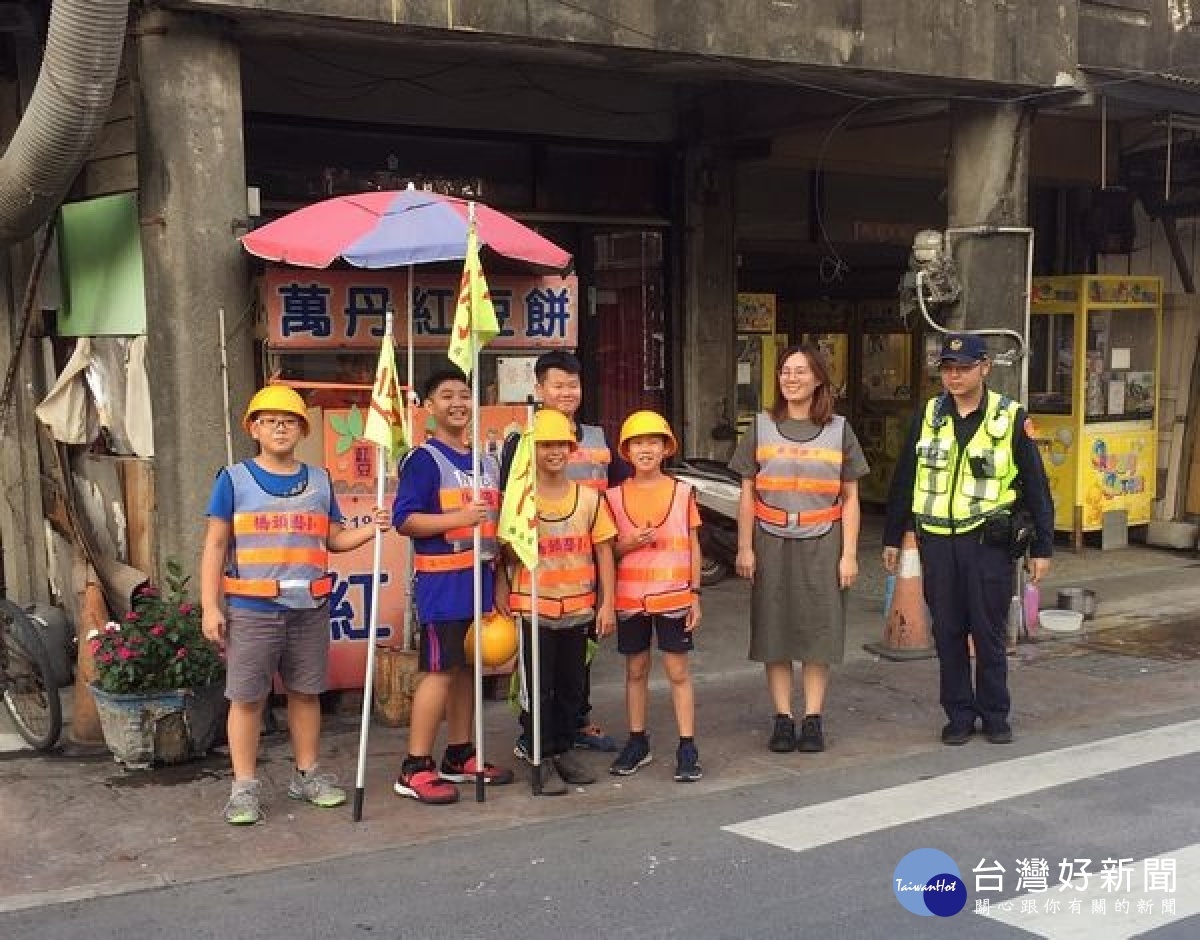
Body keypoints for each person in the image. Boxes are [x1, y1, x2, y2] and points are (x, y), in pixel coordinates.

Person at [201, 384, 389, 826]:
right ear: (254, 429)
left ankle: (307, 775)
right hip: (253, 610)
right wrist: (210, 606)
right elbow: (213, 546)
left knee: (306, 693)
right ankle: (243, 788)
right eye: (270, 421)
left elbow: (334, 540)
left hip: (309, 609)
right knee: (246, 699)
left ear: (302, 429)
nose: (279, 428)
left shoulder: (321, 480)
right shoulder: (232, 479)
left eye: (288, 421)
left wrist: (371, 528)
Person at [882, 333, 1053, 746]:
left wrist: (1042, 547)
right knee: (948, 632)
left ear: (985, 368)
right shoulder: (928, 415)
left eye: (963, 368)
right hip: (938, 542)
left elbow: (1036, 484)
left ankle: (995, 714)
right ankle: (958, 714)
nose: (954, 376)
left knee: (988, 631)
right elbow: (905, 478)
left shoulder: (1010, 417)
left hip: (987, 543)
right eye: (948, 369)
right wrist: (892, 535)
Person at [731, 345, 869, 754]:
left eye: (800, 372)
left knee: (817, 633)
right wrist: (744, 548)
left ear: (818, 379)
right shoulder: (760, 426)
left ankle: (812, 718)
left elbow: (851, 497)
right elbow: (746, 493)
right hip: (769, 543)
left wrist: (849, 554)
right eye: (785, 372)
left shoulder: (839, 430)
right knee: (774, 632)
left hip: (823, 544)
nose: (791, 379)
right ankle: (781, 719)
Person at [390, 365, 515, 804]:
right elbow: (404, 520)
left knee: (467, 672)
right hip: (442, 587)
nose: (458, 403)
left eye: (465, 395)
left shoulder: (485, 461)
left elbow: (495, 528)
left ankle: (460, 755)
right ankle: (414, 766)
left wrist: (499, 581)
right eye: (447, 395)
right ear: (429, 406)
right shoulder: (424, 460)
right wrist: (458, 519)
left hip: (479, 581)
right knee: (438, 674)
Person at [500, 350, 627, 752]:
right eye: (558, 384)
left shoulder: (596, 436)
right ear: (538, 389)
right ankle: (536, 737)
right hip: (540, 571)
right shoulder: (520, 442)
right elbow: (509, 510)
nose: (567, 392)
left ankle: (575, 723)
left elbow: (622, 488)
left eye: (573, 384)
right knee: (541, 665)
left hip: (587, 560)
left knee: (580, 654)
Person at [494, 409, 617, 795]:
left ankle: (563, 750)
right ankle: (539, 757)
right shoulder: (521, 503)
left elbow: (604, 553)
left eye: (561, 444)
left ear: (572, 448)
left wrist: (607, 604)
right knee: (537, 690)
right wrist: (504, 579)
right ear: (533, 451)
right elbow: (505, 556)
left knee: (570, 687)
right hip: (534, 611)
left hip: (577, 610)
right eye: (545, 445)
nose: (554, 451)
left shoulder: (589, 499)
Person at [605, 411, 705, 782]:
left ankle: (687, 744)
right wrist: (629, 543)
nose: (645, 449)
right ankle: (637, 740)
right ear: (626, 451)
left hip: (675, 598)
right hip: (630, 600)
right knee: (635, 669)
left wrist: (695, 594)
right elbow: (607, 553)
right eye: (637, 443)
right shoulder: (612, 497)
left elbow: (694, 545)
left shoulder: (682, 492)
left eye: (653, 442)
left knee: (678, 671)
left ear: (666, 448)